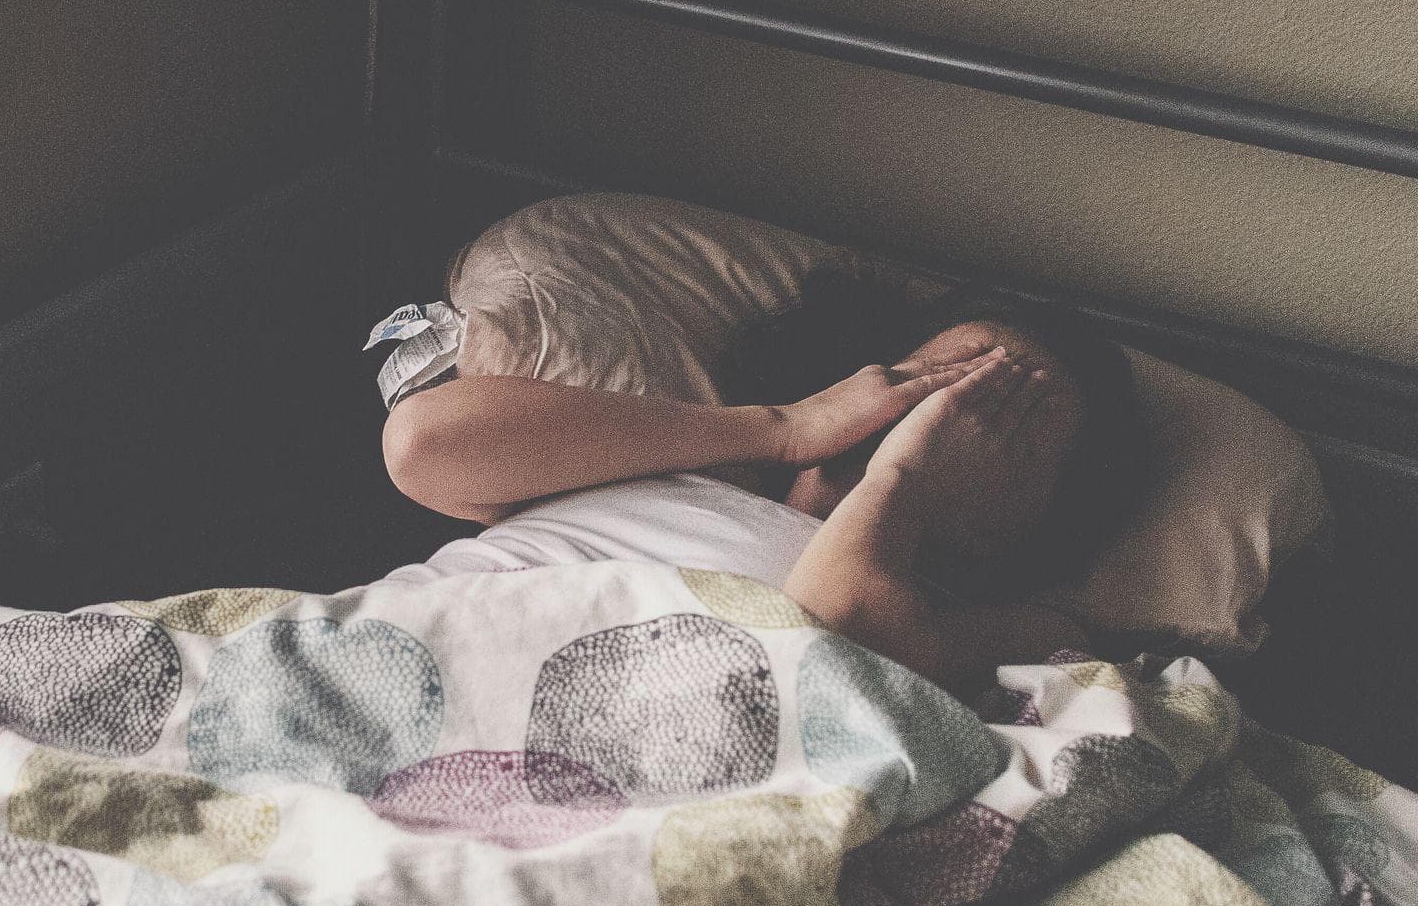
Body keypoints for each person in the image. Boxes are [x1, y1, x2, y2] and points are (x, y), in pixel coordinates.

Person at [378, 275, 1147, 691]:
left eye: (1016, 417)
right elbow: (422, 444)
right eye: (959, 367)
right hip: (405, 656)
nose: (961, 401)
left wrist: (905, 476)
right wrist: (784, 428)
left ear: (1031, 517)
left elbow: (828, 650)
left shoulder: (998, 626)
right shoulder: (674, 462)